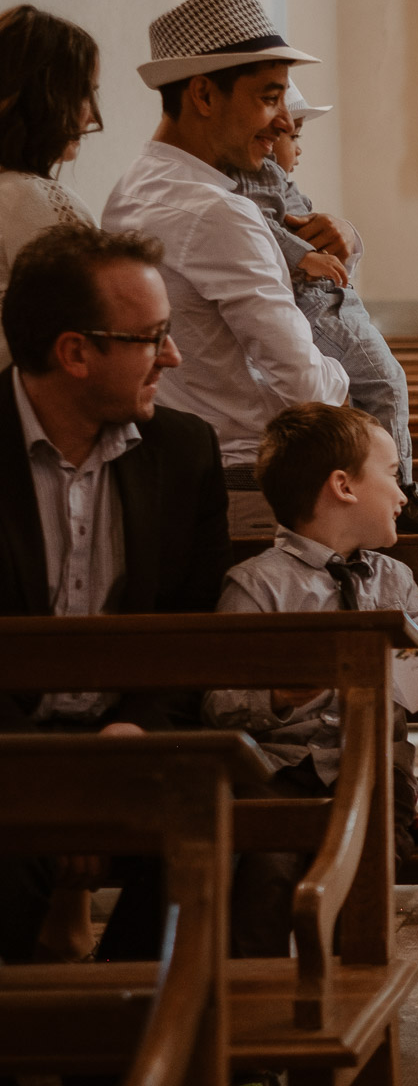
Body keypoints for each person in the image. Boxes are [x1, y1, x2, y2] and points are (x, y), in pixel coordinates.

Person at [0, 223, 231, 964]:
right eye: (152, 336)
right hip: (6, 749)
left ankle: (134, 1043)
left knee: (235, 826)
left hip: (134, 743)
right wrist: (56, 777)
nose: (174, 355)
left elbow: (196, 633)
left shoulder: (184, 453)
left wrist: (134, 732)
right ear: (75, 352)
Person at [204, 401, 418, 957]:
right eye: (391, 474)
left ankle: (353, 1000)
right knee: (264, 873)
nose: (405, 495)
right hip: (278, 772)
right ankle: (253, 1018)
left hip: (377, 772)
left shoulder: (393, 580)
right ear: (343, 486)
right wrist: (279, 697)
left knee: (363, 866)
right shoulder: (256, 586)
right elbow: (220, 701)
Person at [100, 0, 353, 540]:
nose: (285, 122)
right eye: (269, 98)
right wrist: (349, 378)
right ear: (204, 96)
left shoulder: (130, 189)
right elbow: (306, 385)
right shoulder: (217, 211)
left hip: (169, 473)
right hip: (243, 486)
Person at [230, 82, 418, 532]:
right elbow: (262, 229)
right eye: (292, 135)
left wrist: (338, 236)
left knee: (380, 385)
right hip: (316, 306)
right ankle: (400, 490)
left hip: (329, 302)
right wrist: (302, 255)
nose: (298, 145)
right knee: (385, 382)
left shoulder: (277, 181)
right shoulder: (255, 180)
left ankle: (386, 487)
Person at [0, 5, 103, 366]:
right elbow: (95, 341)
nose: (92, 115)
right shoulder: (39, 201)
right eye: (84, 93)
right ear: (43, 97)